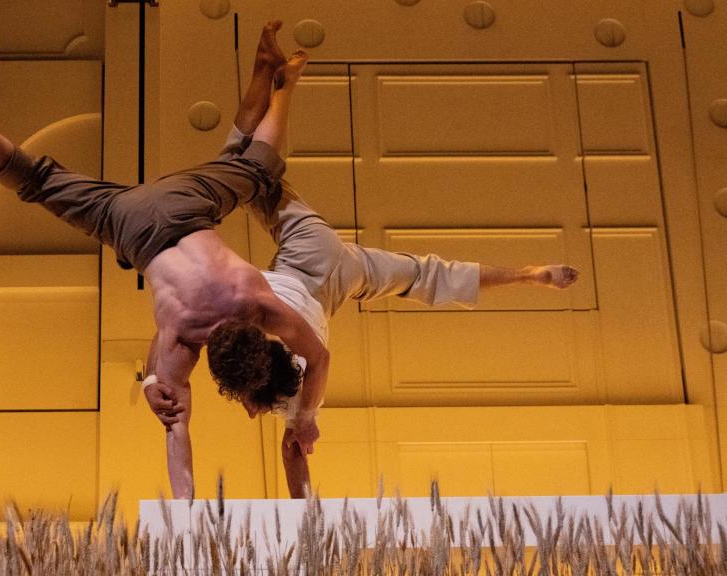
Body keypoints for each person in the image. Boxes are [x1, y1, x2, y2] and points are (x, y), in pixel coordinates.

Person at [0, 22, 323, 500]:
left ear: (257, 336)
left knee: (255, 167)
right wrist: (153, 394)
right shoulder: (179, 336)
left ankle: (278, 79)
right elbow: (177, 432)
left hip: (182, 201)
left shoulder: (257, 301)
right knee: (33, 179)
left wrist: (306, 417)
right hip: (131, 225)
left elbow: (320, 358)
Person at [173, 40, 581, 499]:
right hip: (310, 255)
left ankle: (529, 275)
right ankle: (280, 83)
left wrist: (305, 441)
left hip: (341, 277)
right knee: (246, 172)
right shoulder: (257, 324)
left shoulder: (297, 386)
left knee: (427, 276)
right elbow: (293, 425)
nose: (249, 412)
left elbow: (295, 452)